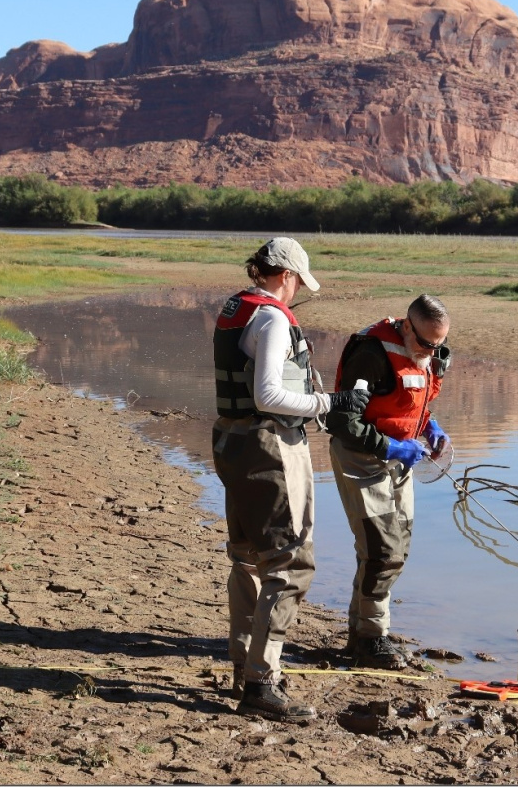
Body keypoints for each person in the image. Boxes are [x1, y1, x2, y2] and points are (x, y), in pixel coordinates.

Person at [212, 237, 369, 722]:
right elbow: (268, 394)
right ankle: (261, 683)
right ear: (286, 275)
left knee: (245, 556)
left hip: (231, 443)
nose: (298, 291)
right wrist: (332, 403)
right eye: (299, 281)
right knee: (290, 562)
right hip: (269, 446)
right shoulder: (273, 317)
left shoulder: (235, 307)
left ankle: (246, 666)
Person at [325, 294, 452, 670]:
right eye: (425, 343)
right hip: (362, 459)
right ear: (407, 325)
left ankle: (361, 635)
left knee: (396, 550)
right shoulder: (371, 353)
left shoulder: (433, 351)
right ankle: (371, 640)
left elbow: (414, 399)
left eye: (439, 344)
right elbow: (342, 422)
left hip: (401, 459)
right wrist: (392, 447)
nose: (431, 351)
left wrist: (428, 426)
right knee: (383, 551)